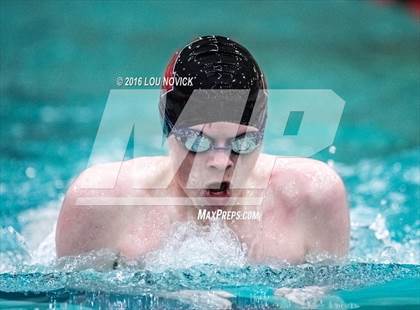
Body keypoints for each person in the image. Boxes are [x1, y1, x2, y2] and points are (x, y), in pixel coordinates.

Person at [56, 35, 349, 265]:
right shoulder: (100, 205)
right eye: (197, 142)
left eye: (242, 142)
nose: (221, 163)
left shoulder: (313, 198)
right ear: (166, 129)